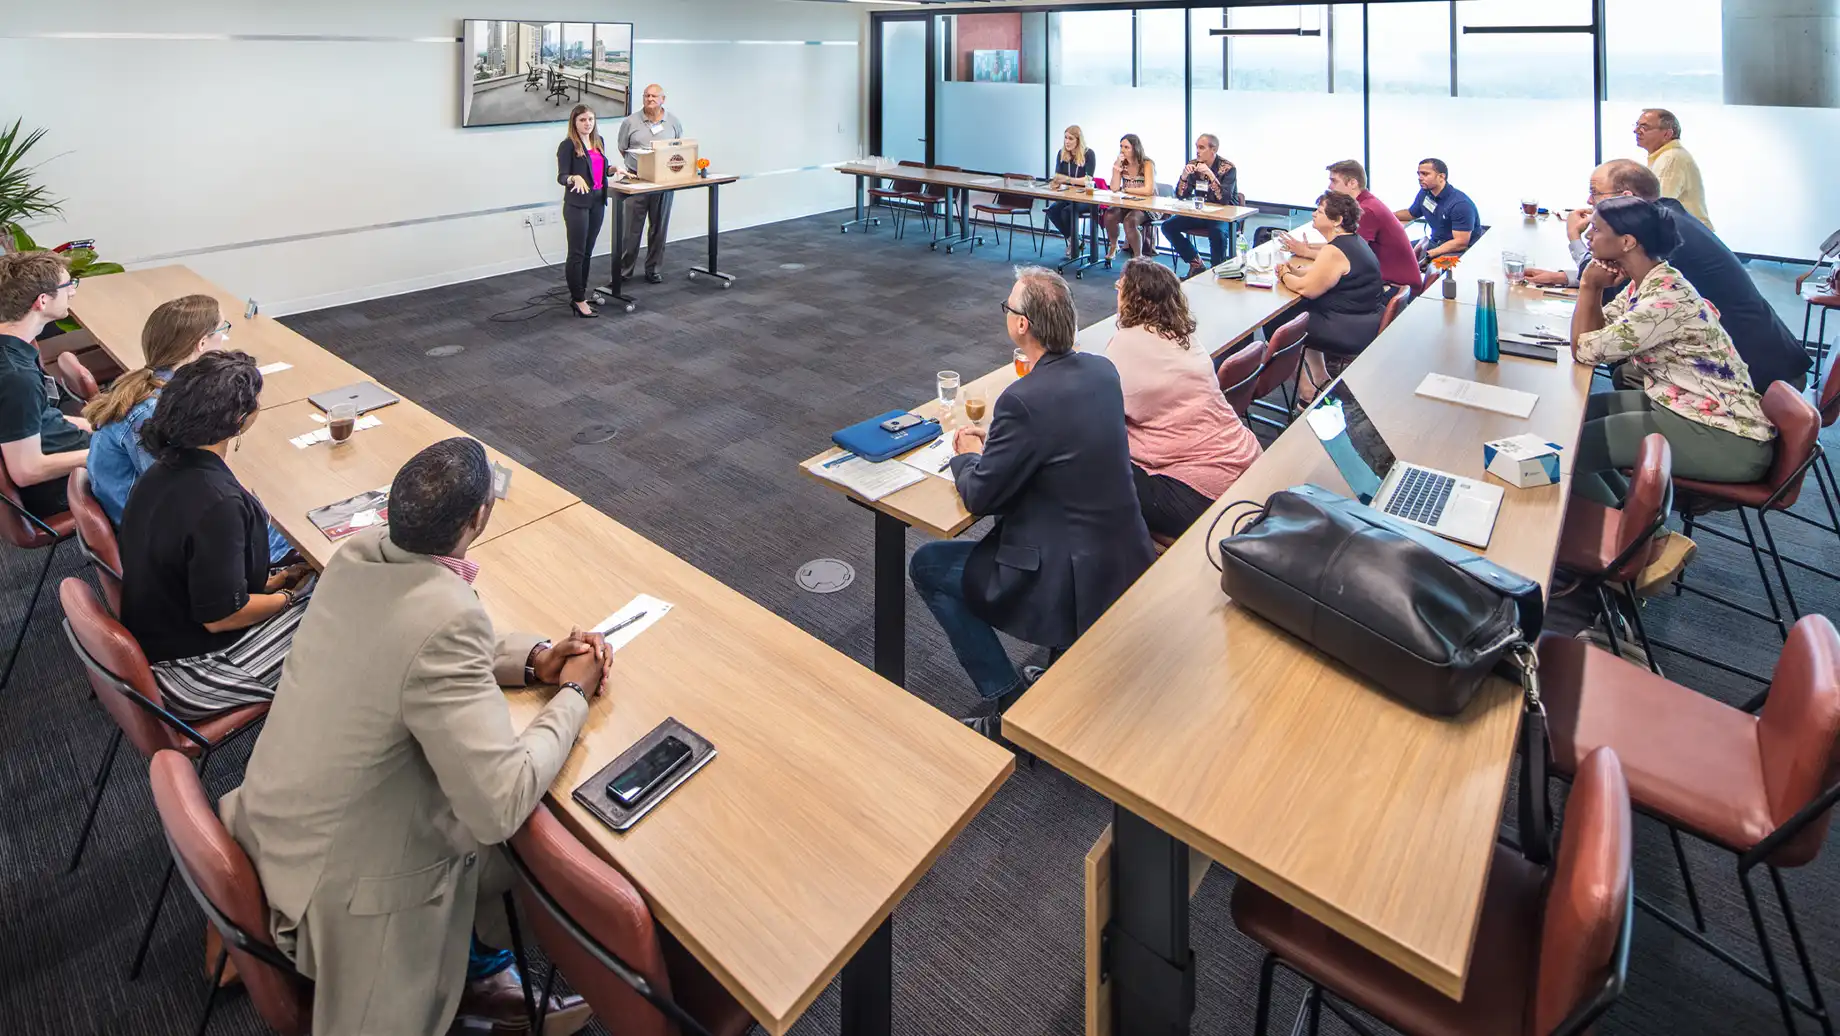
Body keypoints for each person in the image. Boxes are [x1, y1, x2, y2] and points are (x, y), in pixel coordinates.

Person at [220, 437, 611, 1036]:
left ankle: (479, 971)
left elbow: (420, 635)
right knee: (550, 849)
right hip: (346, 902)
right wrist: (574, 693)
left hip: (280, 838)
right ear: (479, 518)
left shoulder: (358, 558)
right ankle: (492, 973)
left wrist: (537, 660)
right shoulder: (444, 620)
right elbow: (499, 802)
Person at [910, 267, 1154, 737]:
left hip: (1063, 575)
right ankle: (1062, 673)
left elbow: (981, 496)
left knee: (928, 565)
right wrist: (1000, 442)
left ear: (1023, 325)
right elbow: (1060, 443)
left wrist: (968, 454)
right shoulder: (1102, 371)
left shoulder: (1022, 400)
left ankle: (1009, 703)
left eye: (1008, 308)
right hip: (1122, 552)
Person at [116, 351, 313, 722]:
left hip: (158, 640)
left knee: (312, 580)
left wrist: (278, 580)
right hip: (192, 676)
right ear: (240, 420)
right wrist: (288, 596)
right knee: (344, 616)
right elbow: (222, 616)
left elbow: (198, 574)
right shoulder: (217, 503)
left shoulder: (162, 470)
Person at [1527, 160, 1809, 392]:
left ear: (1626, 199)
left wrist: (1575, 240)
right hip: (1753, 357)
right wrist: (1566, 277)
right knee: (1624, 371)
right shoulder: (1666, 221)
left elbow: (1606, 293)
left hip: (1756, 377)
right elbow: (1616, 279)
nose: (1589, 201)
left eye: (1595, 193)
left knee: (1625, 370)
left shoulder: (1667, 240)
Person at [1569, 196, 1774, 507]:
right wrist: (1594, 289)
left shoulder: (1663, 301)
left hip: (1728, 438)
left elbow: (1585, 350)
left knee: (1574, 451)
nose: (1588, 236)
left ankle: (1631, 542)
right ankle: (1631, 515)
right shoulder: (1651, 281)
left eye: (1596, 229)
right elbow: (1596, 334)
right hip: (1688, 405)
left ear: (1626, 242)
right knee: (1581, 417)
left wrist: (1589, 286)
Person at [84, 295, 297, 563]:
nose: (225, 340)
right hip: (156, 543)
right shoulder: (154, 411)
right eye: (222, 331)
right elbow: (185, 496)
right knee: (296, 533)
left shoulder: (145, 384)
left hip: (141, 521)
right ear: (202, 343)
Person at [1108, 259, 1261, 537]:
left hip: (1198, 494)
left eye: (1120, 288)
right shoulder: (1185, 336)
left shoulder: (1126, 344)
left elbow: (1099, 414)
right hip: (1246, 460)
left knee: (1087, 464)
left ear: (1133, 298)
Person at [1276, 193, 1388, 406]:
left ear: (1336, 221)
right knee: (1302, 314)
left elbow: (1307, 289)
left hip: (1348, 330)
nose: (1314, 214)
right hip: (1363, 322)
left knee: (1281, 327)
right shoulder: (1354, 242)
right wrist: (1296, 271)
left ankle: (1307, 393)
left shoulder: (1334, 250)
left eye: (1319, 211)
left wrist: (1283, 275)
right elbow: (1322, 274)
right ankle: (1321, 379)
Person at [0, 251, 89, 517]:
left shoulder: (16, 352)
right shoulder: (16, 377)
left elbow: (38, 416)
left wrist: (94, 427)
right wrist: (101, 454)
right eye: (67, 286)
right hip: (57, 487)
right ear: (42, 301)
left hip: (63, 452)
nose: (72, 292)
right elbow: (27, 471)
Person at [1285, 160, 1423, 294]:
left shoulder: (1365, 210)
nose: (1330, 187)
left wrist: (1306, 252)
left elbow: (1350, 256)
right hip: (1391, 282)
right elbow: (1343, 246)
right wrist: (1309, 246)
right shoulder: (1366, 203)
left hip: (1394, 287)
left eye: (1334, 181)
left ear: (1352, 183)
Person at [557, 103, 621, 317]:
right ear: (574, 122)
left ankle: (581, 293)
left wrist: (613, 169)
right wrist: (573, 178)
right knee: (576, 253)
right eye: (582, 120)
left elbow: (600, 169)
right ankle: (578, 299)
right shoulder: (567, 146)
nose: (587, 123)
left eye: (591, 119)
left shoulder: (598, 142)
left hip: (597, 201)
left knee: (587, 251)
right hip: (577, 204)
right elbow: (562, 176)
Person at [615, 83, 684, 284]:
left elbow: (678, 147)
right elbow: (623, 148)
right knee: (631, 229)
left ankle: (653, 269)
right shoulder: (630, 122)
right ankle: (624, 271)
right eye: (646, 96)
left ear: (663, 99)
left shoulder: (673, 122)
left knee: (659, 227)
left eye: (654, 96)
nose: (650, 99)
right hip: (636, 179)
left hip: (664, 181)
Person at [1162, 133, 1238, 278]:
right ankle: (1196, 263)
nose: (1197, 151)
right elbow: (1181, 195)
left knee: (1218, 233)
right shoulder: (1194, 164)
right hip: (1201, 212)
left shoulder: (1228, 168)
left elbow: (1224, 199)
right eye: (1197, 147)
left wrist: (1211, 175)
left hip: (1224, 215)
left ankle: (1217, 271)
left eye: (1201, 147)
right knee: (1168, 226)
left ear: (1213, 150)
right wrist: (1184, 176)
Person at [1635, 108, 1713, 230]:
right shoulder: (1665, 155)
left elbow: (1658, 206)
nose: (1636, 131)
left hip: (1687, 238)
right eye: (1637, 126)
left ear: (1667, 134)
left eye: (1644, 127)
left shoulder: (1671, 158)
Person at [1394, 158, 1478, 262]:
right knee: (1395, 251)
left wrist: (1429, 255)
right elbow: (1411, 214)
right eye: (1419, 174)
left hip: (1457, 252)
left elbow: (1460, 243)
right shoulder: (1426, 193)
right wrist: (1385, 215)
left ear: (1441, 177)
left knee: (1431, 267)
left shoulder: (1460, 204)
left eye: (1425, 174)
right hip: (1435, 243)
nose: (1420, 178)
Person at [1101, 134, 1157, 261]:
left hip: (1146, 206)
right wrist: (1116, 168)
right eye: (1121, 146)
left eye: (1127, 147)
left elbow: (1148, 190)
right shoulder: (1122, 164)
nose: (1122, 150)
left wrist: (1126, 190)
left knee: (1130, 221)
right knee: (1109, 214)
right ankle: (1114, 246)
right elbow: (1114, 188)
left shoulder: (1147, 164)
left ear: (1135, 148)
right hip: (1127, 204)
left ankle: (1138, 257)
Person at [1045, 125, 1097, 261]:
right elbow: (1058, 176)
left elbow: (1088, 179)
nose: (1067, 142)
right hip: (1067, 195)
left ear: (1078, 140)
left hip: (1085, 197)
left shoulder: (1088, 154)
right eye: (1065, 138)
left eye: (1071, 139)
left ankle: (1074, 244)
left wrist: (1067, 179)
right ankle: (1074, 240)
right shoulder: (1062, 154)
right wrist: (1055, 182)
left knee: (1067, 212)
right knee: (1052, 210)